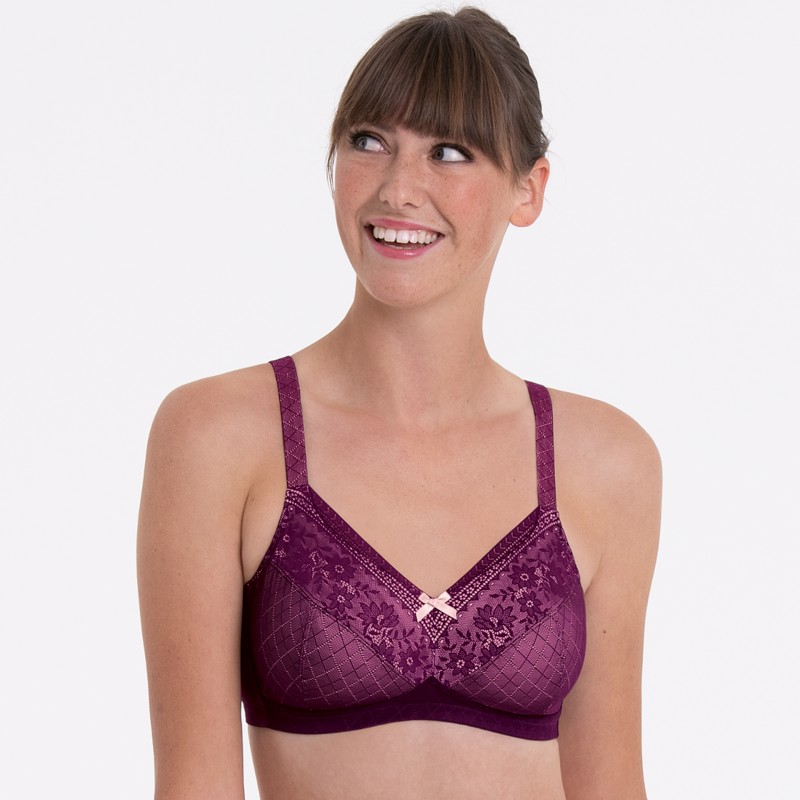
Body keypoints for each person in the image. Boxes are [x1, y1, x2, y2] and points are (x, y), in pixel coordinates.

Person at [137, 7, 661, 799]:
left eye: (448, 152)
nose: (397, 188)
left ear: (528, 190)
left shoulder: (607, 462)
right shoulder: (218, 436)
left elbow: (611, 786)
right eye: (369, 140)